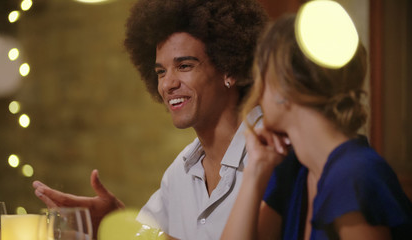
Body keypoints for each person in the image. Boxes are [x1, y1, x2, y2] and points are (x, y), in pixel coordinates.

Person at [32, 0, 269, 239]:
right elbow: (140, 234)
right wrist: (113, 223)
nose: (167, 84)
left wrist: (131, 232)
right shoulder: (179, 174)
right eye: (160, 72)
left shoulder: (272, 152)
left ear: (230, 69)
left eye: (184, 66)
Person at [221, 14, 412, 240]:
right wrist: (255, 170)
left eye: (262, 75)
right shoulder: (295, 168)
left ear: (285, 89)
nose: (257, 92)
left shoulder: (353, 175)